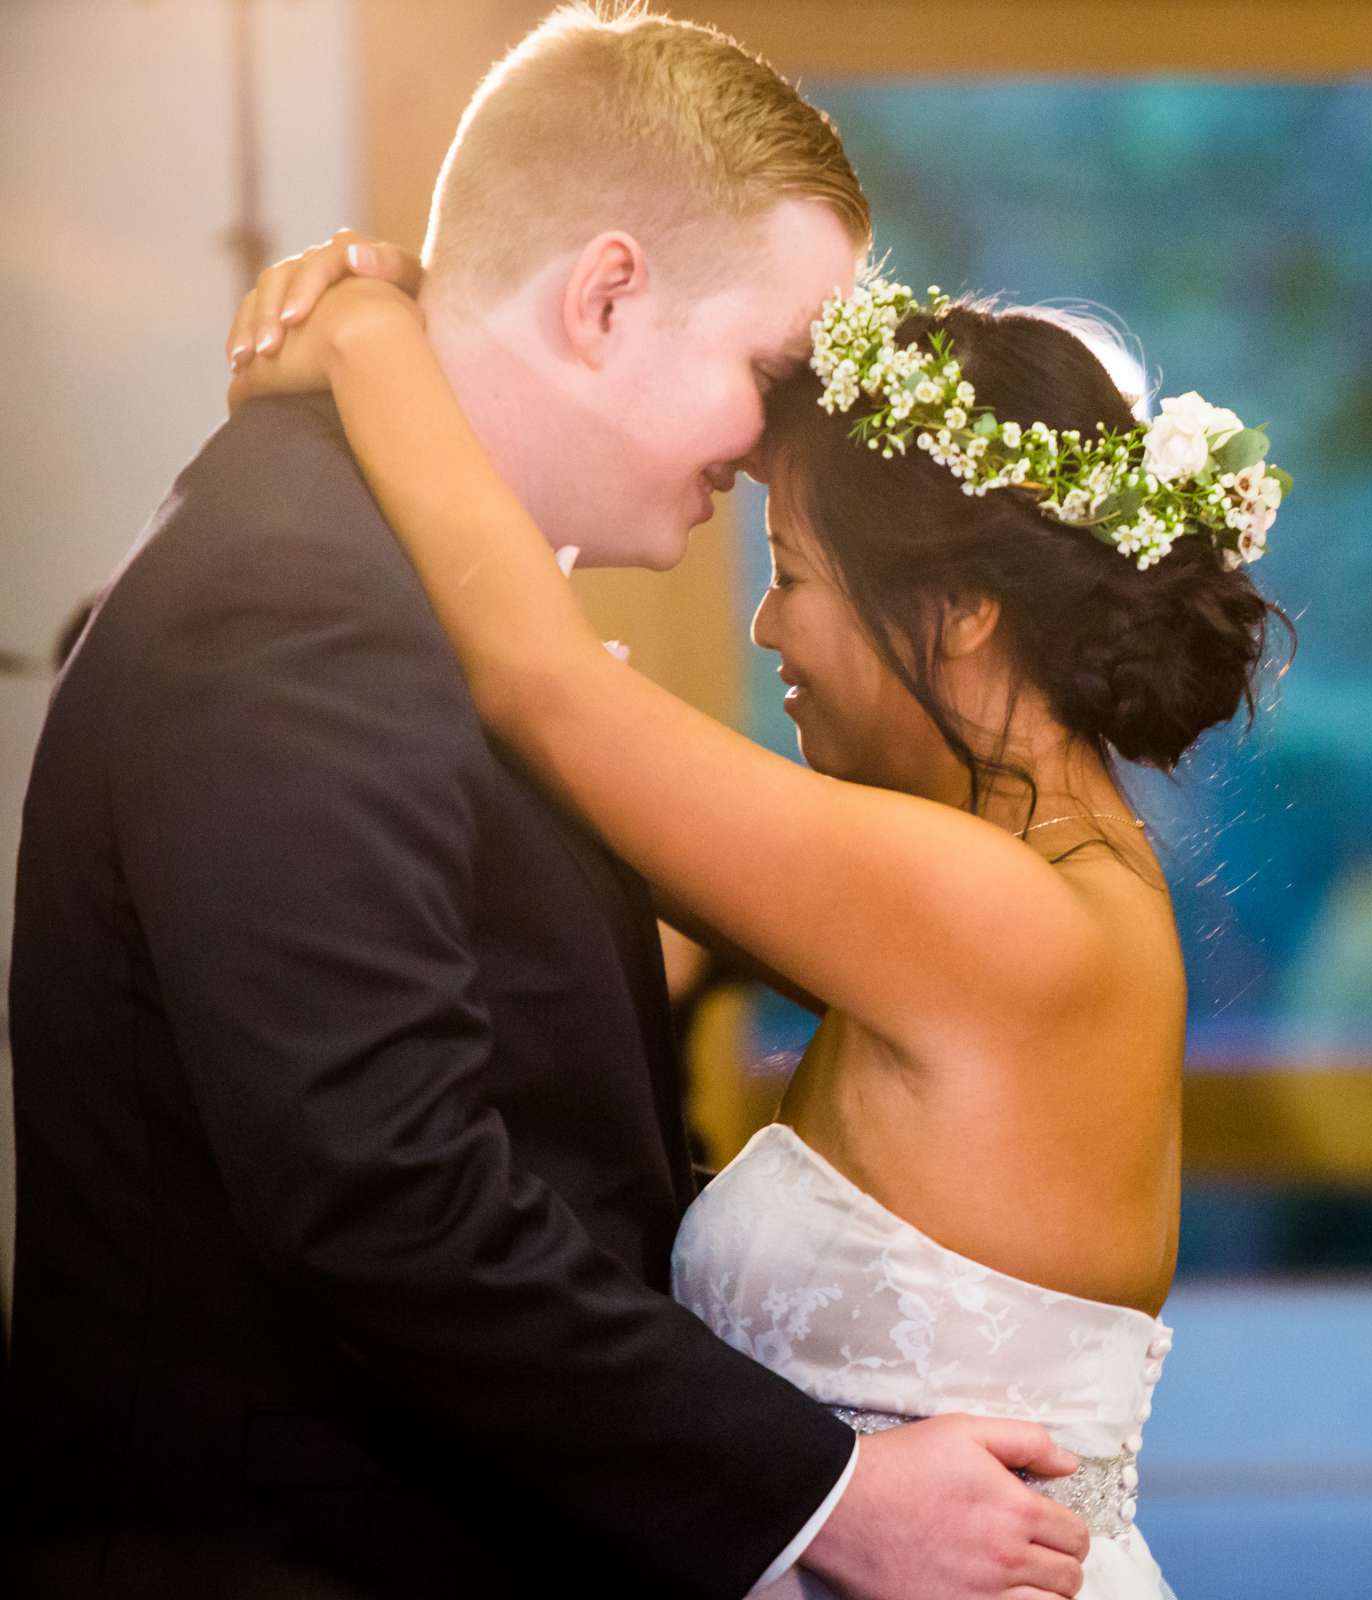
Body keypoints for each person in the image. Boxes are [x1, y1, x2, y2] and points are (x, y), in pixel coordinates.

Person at [7, 8, 1095, 1598]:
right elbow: (382, 1189)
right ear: (604, 298)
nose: (780, 442)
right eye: (769, 370)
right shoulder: (301, 599)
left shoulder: (391, 578)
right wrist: (828, 1496)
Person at [217, 213, 1290, 1593]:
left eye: (790, 576)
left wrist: (376, 336)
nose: (765, 629)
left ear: (960, 608)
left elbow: (547, 691)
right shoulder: (1009, 875)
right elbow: (603, 849)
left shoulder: (996, 911)